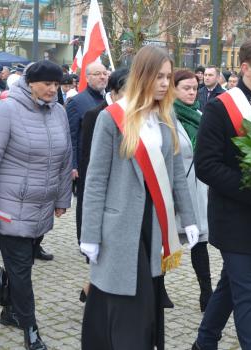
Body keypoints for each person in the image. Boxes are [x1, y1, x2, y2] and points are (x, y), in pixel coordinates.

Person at [79, 45, 197, 349]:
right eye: (159, 76)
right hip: (119, 229)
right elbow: (95, 181)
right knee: (120, 299)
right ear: (142, 75)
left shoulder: (165, 117)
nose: (164, 83)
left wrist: (190, 218)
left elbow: (175, 178)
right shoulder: (112, 118)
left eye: (168, 77)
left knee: (147, 302)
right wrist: (90, 234)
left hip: (154, 225)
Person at [192, 37, 251, 350]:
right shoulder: (220, 107)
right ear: (245, 67)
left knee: (230, 287)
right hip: (232, 215)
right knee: (247, 290)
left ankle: (204, 343)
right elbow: (206, 165)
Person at [0, 60, 72, 350]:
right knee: (21, 271)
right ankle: (30, 329)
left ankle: (10, 310)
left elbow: (65, 159)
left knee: (23, 266)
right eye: (47, 84)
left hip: (41, 208)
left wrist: (62, 198)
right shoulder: (5, 109)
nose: (52, 90)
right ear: (30, 83)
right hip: (8, 207)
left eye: (56, 85)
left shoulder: (59, 112)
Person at [76, 67, 129, 302]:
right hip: (104, 197)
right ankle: (94, 291)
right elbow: (90, 165)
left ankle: (93, 290)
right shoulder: (96, 115)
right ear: (115, 92)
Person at [173, 69, 212, 312]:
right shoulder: (166, 117)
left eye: (194, 88)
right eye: (185, 88)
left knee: (200, 242)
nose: (191, 92)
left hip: (199, 190)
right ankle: (159, 288)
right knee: (167, 243)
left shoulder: (200, 114)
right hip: (176, 190)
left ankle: (206, 292)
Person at [66, 61, 107, 194]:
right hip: (85, 164)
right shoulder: (76, 102)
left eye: (105, 73)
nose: (102, 77)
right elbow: (71, 136)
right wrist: (73, 165)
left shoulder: (110, 100)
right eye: (97, 74)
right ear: (87, 78)